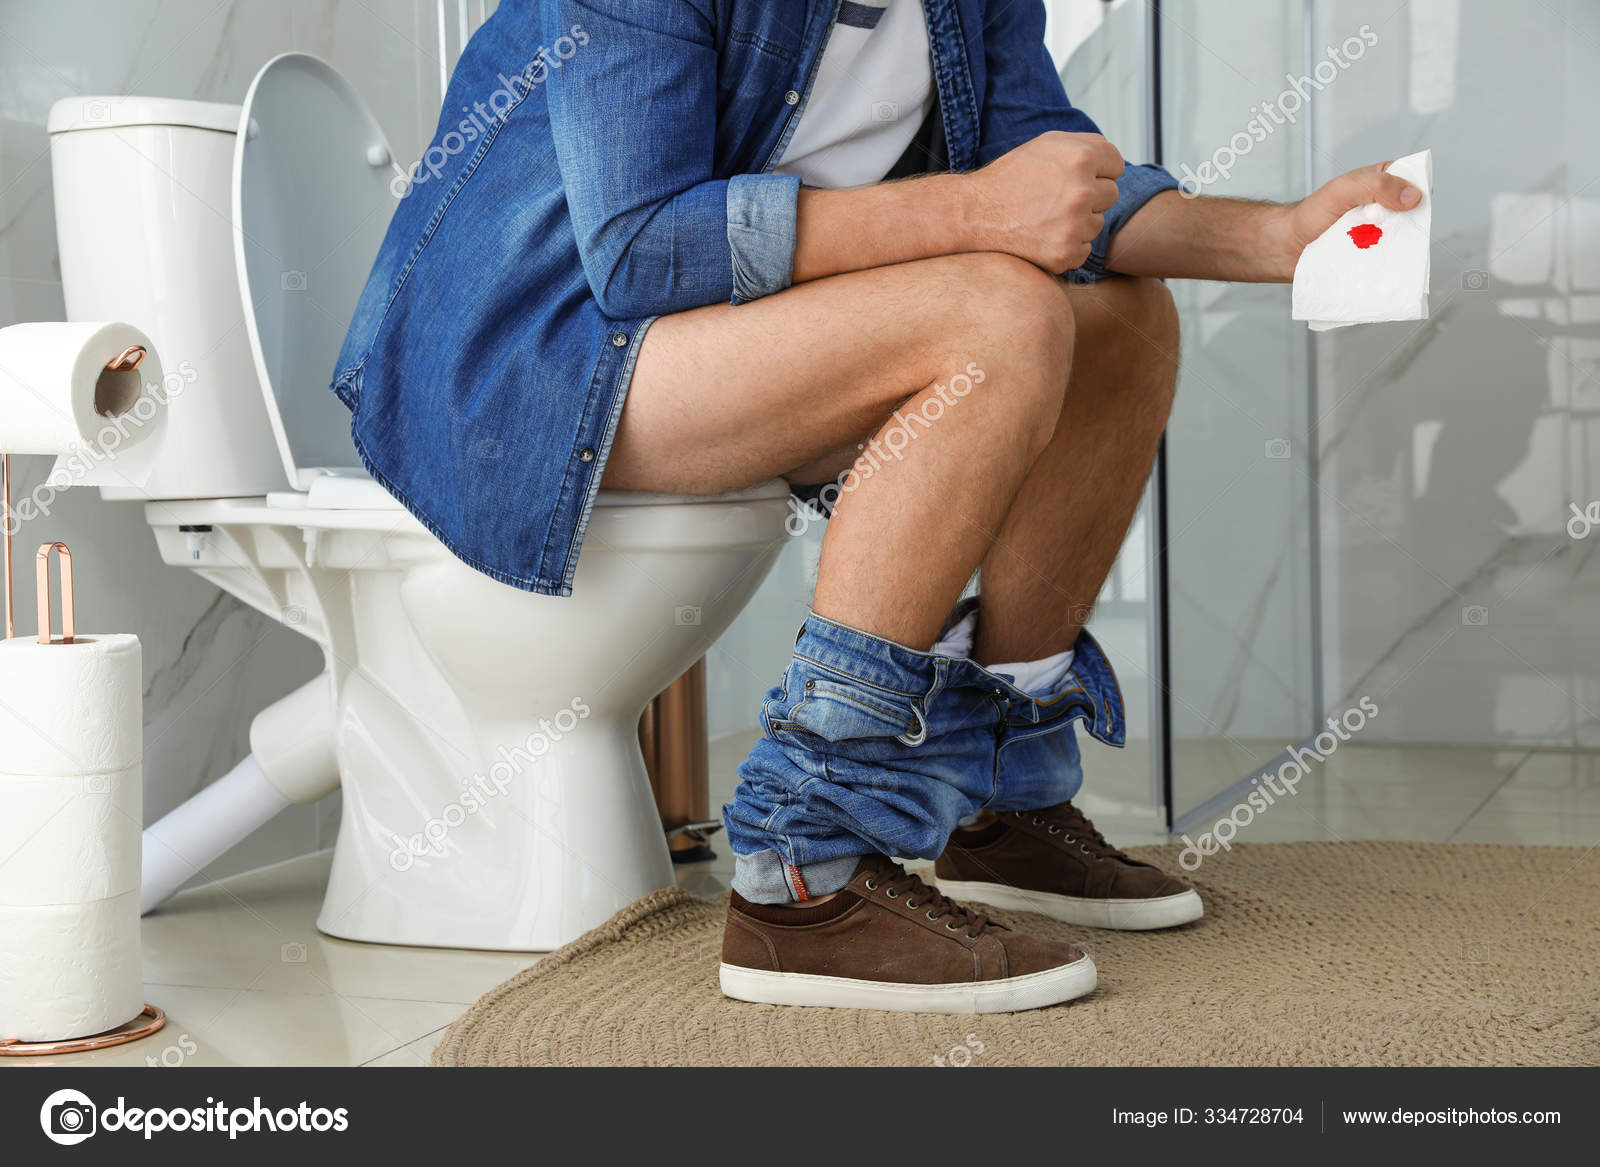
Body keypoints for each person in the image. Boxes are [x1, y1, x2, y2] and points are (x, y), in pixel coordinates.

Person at [334, 0, 1422, 1013]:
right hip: (526, 360)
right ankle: (802, 879)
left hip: (701, 341)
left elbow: (1050, 188)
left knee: (1119, 324)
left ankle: (995, 793)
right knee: (998, 312)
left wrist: (1275, 237)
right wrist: (973, 212)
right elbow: (640, 248)